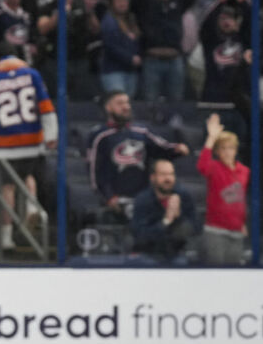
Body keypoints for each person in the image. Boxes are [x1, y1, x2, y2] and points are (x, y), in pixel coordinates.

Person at [0, 56, 56, 249]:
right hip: (33, 138)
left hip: (5, 143)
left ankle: (6, 238)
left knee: (7, 187)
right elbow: (45, 106)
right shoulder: (32, 74)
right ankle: (31, 207)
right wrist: (51, 134)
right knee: (27, 176)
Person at [87, 90, 189, 216]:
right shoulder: (100, 136)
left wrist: (177, 149)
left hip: (143, 198)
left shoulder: (141, 131)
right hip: (115, 200)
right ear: (108, 108)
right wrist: (108, 197)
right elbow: (95, 173)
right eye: (120, 103)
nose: (126, 106)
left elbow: (161, 149)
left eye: (127, 102)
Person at [197, 113, 250, 266]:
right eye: (223, 148)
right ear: (217, 151)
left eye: (231, 148)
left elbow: (240, 199)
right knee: (217, 274)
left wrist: (242, 222)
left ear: (236, 150)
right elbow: (201, 165)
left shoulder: (244, 171)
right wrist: (211, 138)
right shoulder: (214, 167)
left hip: (236, 231)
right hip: (216, 232)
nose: (227, 152)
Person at [130, 159, 198, 264]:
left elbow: (196, 228)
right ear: (153, 178)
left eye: (171, 174)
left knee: (183, 263)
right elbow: (140, 235)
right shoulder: (143, 200)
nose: (168, 178)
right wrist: (165, 221)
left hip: (176, 253)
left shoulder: (183, 196)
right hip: (149, 254)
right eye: (163, 174)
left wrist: (179, 217)